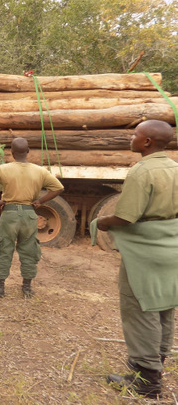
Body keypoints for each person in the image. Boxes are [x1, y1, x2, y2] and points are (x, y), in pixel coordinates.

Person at [95, 120, 178, 398]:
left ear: (147, 143)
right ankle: (157, 364)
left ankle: (146, 379)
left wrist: (103, 221)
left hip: (145, 253)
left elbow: (126, 217)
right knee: (164, 307)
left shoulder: (141, 172)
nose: (131, 138)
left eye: (135, 134)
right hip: (170, 248)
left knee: (140, 309)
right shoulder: (175, 168)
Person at [0, 137, 64, 299]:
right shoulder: (39, 171)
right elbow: (58, 188)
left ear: (11, 153)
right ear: (28, 151)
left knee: (4, 248)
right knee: (29, 249)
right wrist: (40, 201)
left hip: (9, 213)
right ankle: (26, 288)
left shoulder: (3, 169)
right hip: (29, 214)